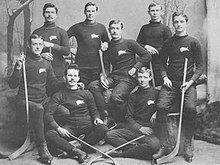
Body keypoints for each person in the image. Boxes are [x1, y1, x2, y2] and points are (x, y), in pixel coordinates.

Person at [152, 12, 204, 163]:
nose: (179, 24)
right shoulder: (169, 43)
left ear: (186, 22)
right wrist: (164, 77)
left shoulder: (193, 42)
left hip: (187, 84)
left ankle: (187, 145)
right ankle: (165, 145)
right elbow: (161, 63)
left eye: (181, 21)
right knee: (161, 107)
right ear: (173, 24)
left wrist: (191, 81)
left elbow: (200, 67)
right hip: (171, 83)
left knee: (190, 108)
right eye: (176, 22)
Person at [88, 20, 152, 124]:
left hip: (128, 79)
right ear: (109, 30)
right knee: (93, 86)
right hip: (113, 78)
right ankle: (104, 113)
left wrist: (135, 68)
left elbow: (147, 56)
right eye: (112, 28)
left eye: (117, 28)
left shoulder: (130, 43)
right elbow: (106, 66)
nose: (114, 31)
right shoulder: (108, 46)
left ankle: (122, 121)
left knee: (115, 97)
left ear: (121, 30)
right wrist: (102, 77)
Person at [44, 64, 108, 164]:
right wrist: (58, 128)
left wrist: (96, 118)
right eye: (70, 76)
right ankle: (78, 152)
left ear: (78, 78)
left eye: (75, 76)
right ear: (65, 77)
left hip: (87, 127)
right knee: (50, 134)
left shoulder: (86, 93)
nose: (72, 78)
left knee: (103, 128)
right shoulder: (59, 95)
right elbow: (48, 114)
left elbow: (94, 110)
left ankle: (73, 148)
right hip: (71, 129)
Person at [8, 34, 57, 164]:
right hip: (25, 100)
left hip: (42, 99)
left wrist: (70, 83)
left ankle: (50, 139)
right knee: (39, 108)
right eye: (35, 44)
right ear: (29, 46)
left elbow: (54, 84)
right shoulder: (23, 62)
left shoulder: (46, 63)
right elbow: (12, 84)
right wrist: (17, 68)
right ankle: (42, 147)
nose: (38, 47)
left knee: (63, 111)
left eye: (40, 44)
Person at [104, 67, 160, 160]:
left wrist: (157, 112)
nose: (142, 80)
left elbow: (166, 107)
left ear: (150, 78)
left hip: (149, 130)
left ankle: (121, 154)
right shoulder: (133, 95)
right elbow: (128, 117)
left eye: (145, 77)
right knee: (109, 135)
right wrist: (140, 128)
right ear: (137, 78)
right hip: (135, 128)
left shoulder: (156, 93)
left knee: (155, 145)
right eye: (140, 77)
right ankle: (134, 149)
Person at [67, 2, 109, 88]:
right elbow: (63, 37)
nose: (90, 13)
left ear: (97, 12)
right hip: (81, 67)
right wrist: (70, 49)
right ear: (84, 12)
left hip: (96, 67)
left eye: (93, 11)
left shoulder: (101, 27)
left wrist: (106, 43)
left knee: (94, 90)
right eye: (88, 11)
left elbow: (107, 42)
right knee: (81, 91)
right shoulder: (78, 27)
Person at [32, 3, 70, 95]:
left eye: (52, 12)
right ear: (43, 14)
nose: (50, 15)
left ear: (56, 15)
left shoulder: (61, 32)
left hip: (58, 73)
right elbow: (29, 52)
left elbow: (66, 51)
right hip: (41, 72)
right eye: (47, 12)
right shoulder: (37, 32)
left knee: (58, 100)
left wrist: (52, 45)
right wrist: (41, 55)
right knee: (44, 100)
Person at [137, 2, 172, 87]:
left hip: (160, 61)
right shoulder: (144, 28)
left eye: (157, 10)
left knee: (159, 85)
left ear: (161, 12)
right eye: (152, 11)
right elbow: (138, 44)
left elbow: (169, 45)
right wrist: (146, 47)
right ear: (149, 12)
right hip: (147, 61)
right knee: (146, 84)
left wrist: (155, 50)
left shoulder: (165, 29)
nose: (155, 13)